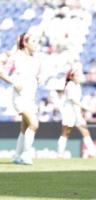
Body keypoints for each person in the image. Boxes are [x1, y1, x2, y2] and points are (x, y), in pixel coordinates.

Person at [0, 33, 40, 165]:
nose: (36, 43)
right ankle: (26, 155)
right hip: (20, 97)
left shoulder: (34, 59)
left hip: (31, 97)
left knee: (25, 128)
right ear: (25, 43)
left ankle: (17, 155)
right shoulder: (16, 57)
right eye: (33, 41)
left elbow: (33, 76)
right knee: (34, 124)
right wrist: (13, 82)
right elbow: (1, 72)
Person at [57, 69, 96, 158]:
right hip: (68, 112)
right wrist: (88, 109)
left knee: (85, 130)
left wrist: (81, 111)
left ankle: (92, 153)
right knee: (66, 132)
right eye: (78, 75)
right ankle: (60, 154)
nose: (80, 77)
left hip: (76, 112)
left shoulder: (77, 86)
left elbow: (77, 103)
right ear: (71, 77)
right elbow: (75, 101)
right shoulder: (70, 85)